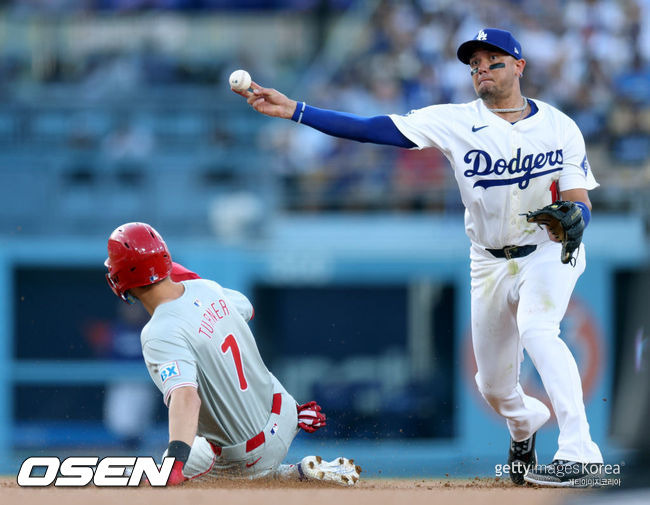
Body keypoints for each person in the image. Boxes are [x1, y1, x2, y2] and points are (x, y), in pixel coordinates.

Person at [234, 28, 603, 487]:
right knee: (494, 388)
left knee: (538, 329)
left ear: (519, 66)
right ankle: (525, 422)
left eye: (494, 61)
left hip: (547, 251)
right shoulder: (455, 120)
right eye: (475, 65)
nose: (482, 69)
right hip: (488, 260)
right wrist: (295, 110)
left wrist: (577, 217)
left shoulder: (559, 125)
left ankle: (581, 454)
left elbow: (578, 197)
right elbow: (374, 130)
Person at [104, 222, 361, 486]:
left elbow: (185, 397)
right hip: (285, 411)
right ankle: (293, 473)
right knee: (194, 455)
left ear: (121, 278)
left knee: (157, 481)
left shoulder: (159, 332)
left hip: (249, 451)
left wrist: (176, 463)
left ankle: (273, 475)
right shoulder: (207, 288)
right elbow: (247, 309)